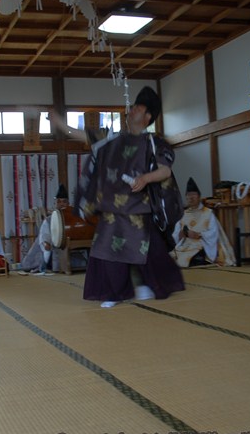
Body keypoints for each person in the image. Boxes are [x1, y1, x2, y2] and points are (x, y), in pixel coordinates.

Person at [75, 86, 185, 308]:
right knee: (106, 251)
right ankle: (114, 293)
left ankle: (146, 284)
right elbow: (85, 136)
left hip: (139, 209)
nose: (130, 111)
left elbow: (165, 170)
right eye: (132, 107)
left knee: (149, 254)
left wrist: (145, 178)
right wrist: (55, 122)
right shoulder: (112, 139)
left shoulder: (155, 142)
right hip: (112, 210)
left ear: (147, 117)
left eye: (137, 108)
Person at [171, 178, 237, 267]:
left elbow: (213, 233)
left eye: (194, 194)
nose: (191, 197)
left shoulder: (208, 213)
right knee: (171, 257)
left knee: (191, 258)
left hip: (202, 243)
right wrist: (181, 234)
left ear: (199, 197)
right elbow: (175, 235)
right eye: (189, 195)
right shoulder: (183, 215)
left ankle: (200, 259)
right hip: (186, 244)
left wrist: (199, 234)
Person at [19, 185, 70, 275]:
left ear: (68, 203)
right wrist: (46, 242)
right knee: (44, 246)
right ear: (56, 204)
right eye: (59, 202)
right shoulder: (49, 219)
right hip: (54, 246)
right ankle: (45, 265)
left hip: (69, 246)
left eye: (64, 202)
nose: (61, 204)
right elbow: (45, 233)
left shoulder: (73, 217)